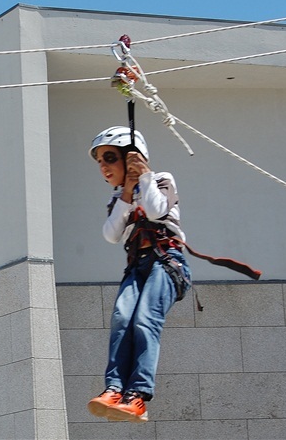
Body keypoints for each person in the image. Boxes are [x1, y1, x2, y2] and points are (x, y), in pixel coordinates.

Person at [86, 126, 191, 423]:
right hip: (137, 266)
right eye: (100, 162)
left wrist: (144, 177)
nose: (104, 167)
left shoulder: (160, 181)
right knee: (121, 318)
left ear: (131, 157)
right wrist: (128, 192)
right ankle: (114, 388)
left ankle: (138, 395)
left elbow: (157, 212)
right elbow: (111, 234)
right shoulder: (119, 198)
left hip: (167, 262)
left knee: (145, 319)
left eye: (109, 158)